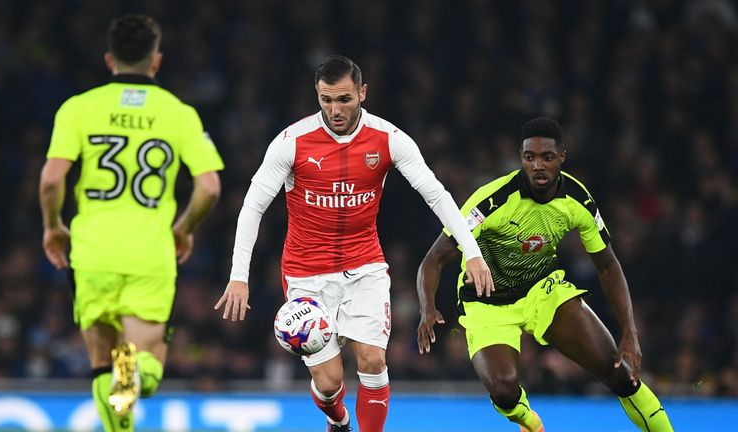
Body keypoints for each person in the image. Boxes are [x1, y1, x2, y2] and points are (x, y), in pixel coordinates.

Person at [214, 55, 492, 432]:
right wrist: (238, 276)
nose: (335, 109)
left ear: (363, 92)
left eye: (344, 99)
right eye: (326, 100)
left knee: (373, 362)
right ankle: (339, 420)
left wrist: (472, 254)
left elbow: (437, 194)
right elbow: (253, 206)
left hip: (366, 268)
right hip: (306, 274)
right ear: (317, 95)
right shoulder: (291, 143)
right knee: (329, 384)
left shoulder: (389, 139)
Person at [416, 117, 674, 432]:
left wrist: (629, 330)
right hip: (486, 301)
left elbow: (607, 264)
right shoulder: (492, 200)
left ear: (562, 157)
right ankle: (529, 422)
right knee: (504, 390)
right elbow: (434, 257)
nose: (538, 165)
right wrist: (427, 306)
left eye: (547, 157)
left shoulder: (577, 200)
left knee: (617, 370)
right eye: (530, 157)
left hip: (543, 291)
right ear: (521, 157)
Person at [39, 15, 223, 431]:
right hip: (149, 250)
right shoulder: (178, 113)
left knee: (107, 364)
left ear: (110, 60)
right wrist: (184, 228)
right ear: (155, 61)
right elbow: (209, 188)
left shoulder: (79, 108)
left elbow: (52, 177)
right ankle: (141, 370)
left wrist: (53, 226)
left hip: (92, 250)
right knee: (142, 364)